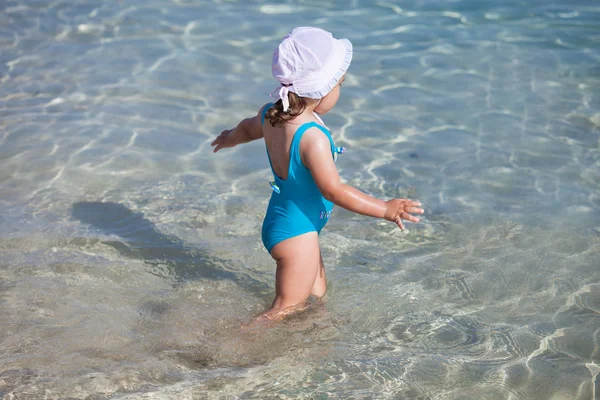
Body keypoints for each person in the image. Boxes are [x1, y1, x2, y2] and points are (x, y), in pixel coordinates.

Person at [211, 27, 424, 321]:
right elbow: (333, 190)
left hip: (291, 222)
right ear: (321, 88)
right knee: (286, 309)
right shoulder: (312, 137)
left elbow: (247, 129)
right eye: (340, 84)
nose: (340, 90)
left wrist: (229, 137)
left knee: (317, 298)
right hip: (297, 232)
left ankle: (308, 348)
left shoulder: (271, 115)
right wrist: (384, 209)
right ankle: (224, 350)